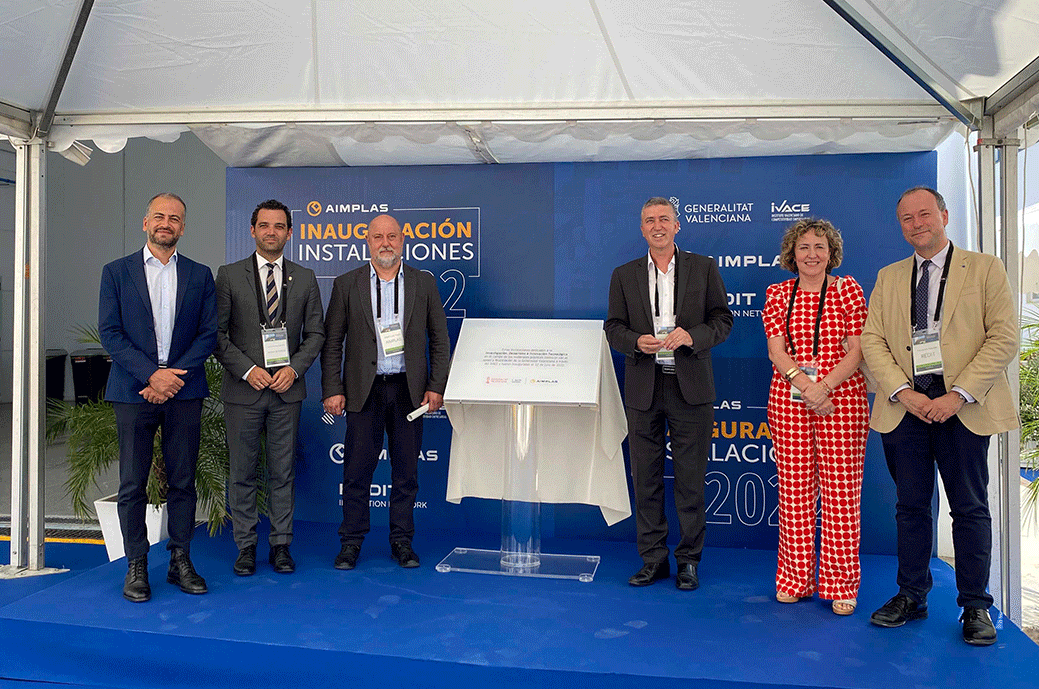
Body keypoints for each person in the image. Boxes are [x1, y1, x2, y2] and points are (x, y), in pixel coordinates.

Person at [862, 186, 1018, 646]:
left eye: (924, 214)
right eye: (907, 218)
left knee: (969, 509)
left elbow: (1003, 337)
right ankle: (911, 595)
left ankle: (975, 606)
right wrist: (903, 392)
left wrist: (958, 395)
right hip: (905, 410)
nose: (917, 224)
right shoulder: (889, 276)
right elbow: (873, 340)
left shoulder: (985, 268)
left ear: (944, 216)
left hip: (963, 410)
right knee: (910, 508)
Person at [605, 197, 733, 590]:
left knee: (690, 481)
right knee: (646, 480)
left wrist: (692, 336)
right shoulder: (623, 274)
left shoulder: (703, 267)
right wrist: (634, 341)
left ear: (677, 226)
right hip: (644, 387)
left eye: (664, 219)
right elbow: (613, 327)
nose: (657, 226)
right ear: (642, 229)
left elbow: (723, 320)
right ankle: (653, 560)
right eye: (650, 220)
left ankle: (689, 560)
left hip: (690, 386)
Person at [99, 192, 217, 602]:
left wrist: (171, 379)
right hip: (134, 391)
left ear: (183, 227)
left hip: (184, 391)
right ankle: (136, 564)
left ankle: (180, 559)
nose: (167, 223)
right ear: (145, 222)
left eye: (175, 218)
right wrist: (151, 375)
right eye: (160, 216)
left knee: (183, 481)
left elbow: (208, 333)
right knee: (133, 483)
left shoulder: (200, 275)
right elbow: (110, 332)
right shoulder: (116, 272)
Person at [321, 214, 451, 570]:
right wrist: (332, 388)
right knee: (356, 472)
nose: (385, 243)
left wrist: (436, 385)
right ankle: (351, 542)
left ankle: (402, 541)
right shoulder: (347, 284)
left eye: (392, 236)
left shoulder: (423, 282)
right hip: (363, 391)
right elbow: (333, 342)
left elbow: (439, 338)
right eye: (378, 236)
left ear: (402, 240)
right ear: (367, 241)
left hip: (409, 391)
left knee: (406, 472)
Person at [762, 218, 869, 616]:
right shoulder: (778, 293)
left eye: (819, 247)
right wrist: (806, 386)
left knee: (842, 495)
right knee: (794, 493)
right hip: (790, 400)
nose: (812, 254)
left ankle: (842, 585)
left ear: (831, 252)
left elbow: (858, 349)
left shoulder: (847, 290)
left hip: (841, 400)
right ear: (792, 253)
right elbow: (776, 350)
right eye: (804, 247)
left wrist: (823, 387)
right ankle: (794, 579)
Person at [214, 199, 325, 576]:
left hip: (286, 392)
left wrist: (294, 369)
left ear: (289, 233)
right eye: (264, 225)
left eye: (279, 226)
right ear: (252, 230)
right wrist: (248, 370)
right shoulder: (229, 275)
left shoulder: (305, 277)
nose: (271, 232)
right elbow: (217, 334)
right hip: (243, 391)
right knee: (242, 472)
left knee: (282, 472)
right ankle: (245, 546)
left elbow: (316, 333)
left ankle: (281, 545)